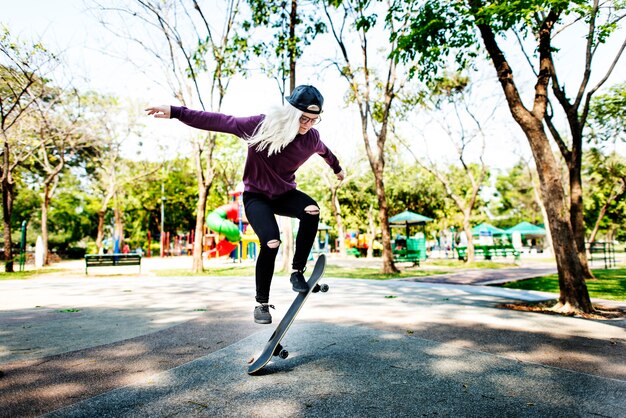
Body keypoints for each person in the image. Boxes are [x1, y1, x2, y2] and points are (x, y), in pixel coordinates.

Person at [146, 85, 345, 325]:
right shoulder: (261, 126)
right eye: (303, 118)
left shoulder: (311, 137)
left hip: (284, 195)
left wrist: (337, 169)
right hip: (256, 197)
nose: (308, 124)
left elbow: (326, 152)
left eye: (314, 120)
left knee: (311, 210)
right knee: (271, 241)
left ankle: (297, 272)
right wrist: (176, 111)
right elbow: (219, 121)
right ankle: (262, 304)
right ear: (290, 112)